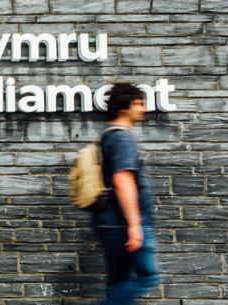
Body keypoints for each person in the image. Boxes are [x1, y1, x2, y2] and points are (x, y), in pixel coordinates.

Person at [95, 83, 161, 305]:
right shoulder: (122, 138)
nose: (143, 109)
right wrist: (135, 224)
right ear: (124, 107)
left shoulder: (108, 137)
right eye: (138, 104)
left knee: (119, 282)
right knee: (147, 276)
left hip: (109, 223)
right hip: (123, 224)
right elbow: (122, 180)